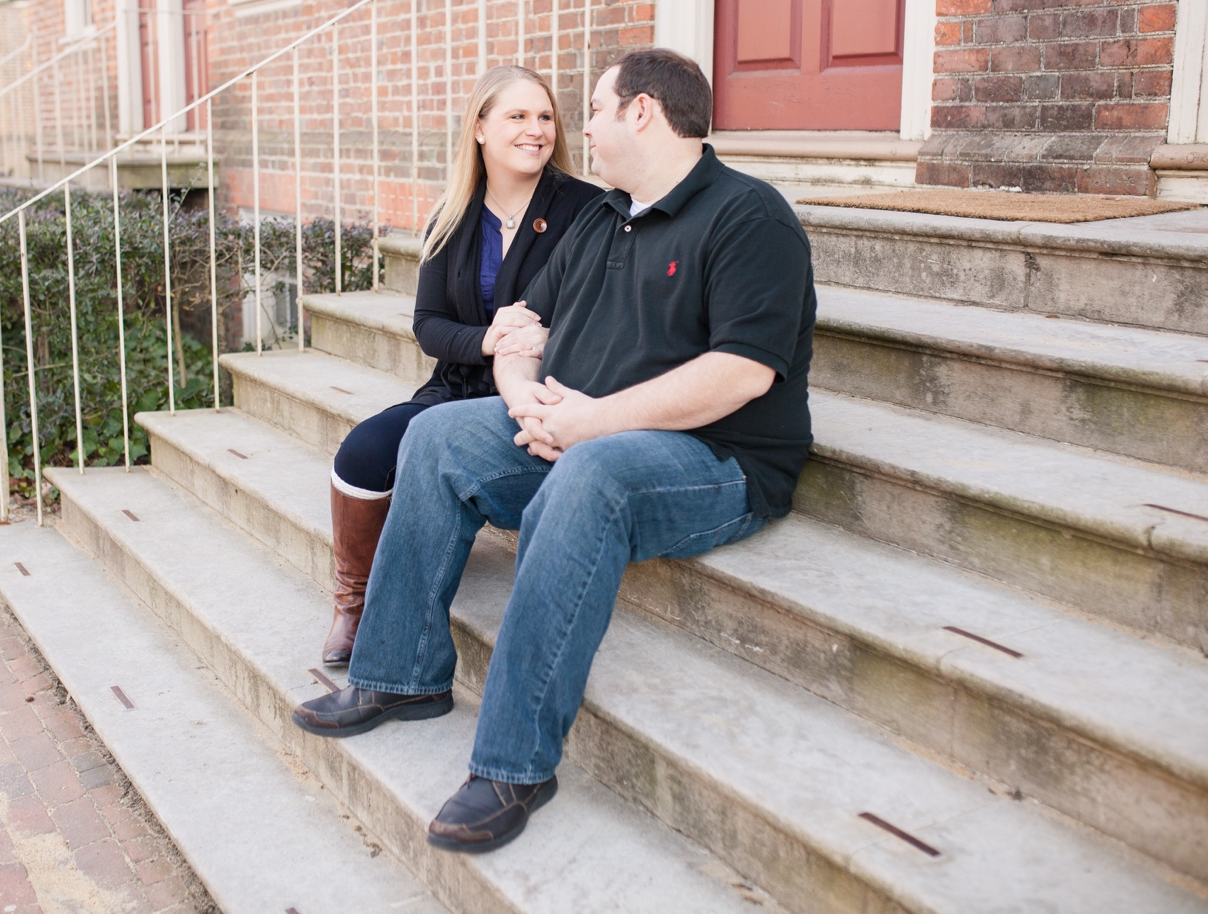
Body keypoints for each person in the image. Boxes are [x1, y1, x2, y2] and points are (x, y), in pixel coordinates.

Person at [293, 49, 816, 853]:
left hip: (714, 461)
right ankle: (399, 673)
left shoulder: (749, 217)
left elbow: (739, 373)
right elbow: (519, 328)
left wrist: (590, 423)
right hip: (579, 426)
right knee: (434, 435)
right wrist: (526, 399)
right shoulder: (606, 216)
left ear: (643, 111)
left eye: (598, 109)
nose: (587, 128)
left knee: (591, 473)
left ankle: (514, 764)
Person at [319, 65, 602, 666]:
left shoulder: (587, 209)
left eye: (545, 116)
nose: (536, 130)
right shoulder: (453, 214)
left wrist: (528, 342)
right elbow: (428, 325)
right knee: (360, 456)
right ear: (479, 127)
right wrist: (486, 340)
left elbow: (596, 316)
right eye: (517, 116)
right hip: (454, 387)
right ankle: (353, 599)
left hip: (539, 393)